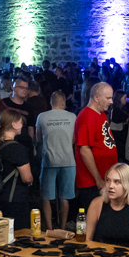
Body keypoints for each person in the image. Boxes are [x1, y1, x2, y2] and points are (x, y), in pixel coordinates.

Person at [35, 92, 76, 232]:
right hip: (68, 161)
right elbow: (74, 139)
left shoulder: (42, 116)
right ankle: (63, 228)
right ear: (64, 102)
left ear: (51, 102)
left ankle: (49, 228)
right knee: (65, 198)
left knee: (46, 198)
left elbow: (38, 138)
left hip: (49, 162)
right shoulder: (72, 116)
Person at [73, 82, 117, 209]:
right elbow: (85, 150)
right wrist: (98, 179)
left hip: (103, 178)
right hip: (92, 182)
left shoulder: (100, 113)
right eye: (108, 98)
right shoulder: (87, 117)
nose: (111, 101)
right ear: (96, 97)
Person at [0, 110, 34, 229]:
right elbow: (27, 178)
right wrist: (31, 181)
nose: (22, 125)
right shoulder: (17, 148)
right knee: (19, 234)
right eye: (20, 122)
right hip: (15, 198)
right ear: (14, 124)